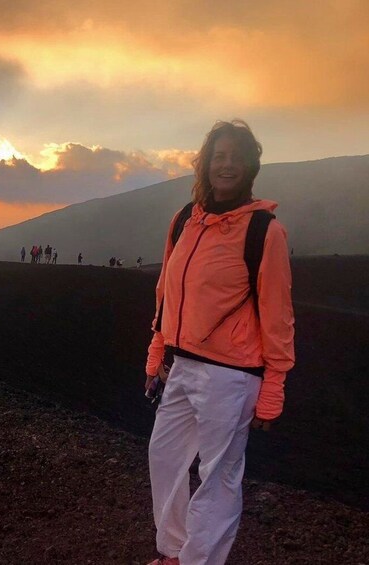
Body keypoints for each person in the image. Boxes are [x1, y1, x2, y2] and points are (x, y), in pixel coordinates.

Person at [144, 120, 294, 565]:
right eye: (219, 156)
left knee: (218, 477)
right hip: (182, 365)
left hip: (233, 376)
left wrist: (274, 386)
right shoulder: (185, 220)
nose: (227, 165)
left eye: (236, 157)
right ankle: (174, 550)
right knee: (164, 456)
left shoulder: (264, 231)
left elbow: (278, 314)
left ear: (251, 166)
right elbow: (166, 292)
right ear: (206, 164)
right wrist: (157, 350)